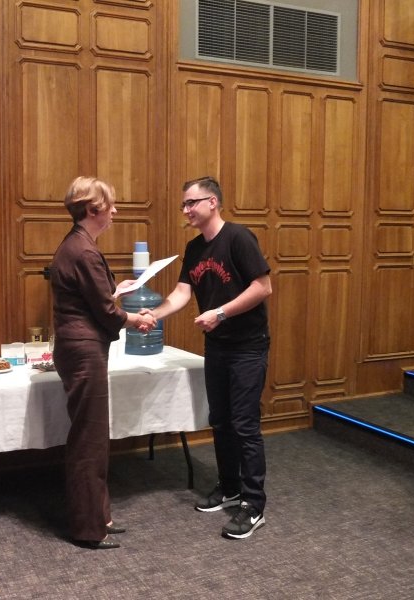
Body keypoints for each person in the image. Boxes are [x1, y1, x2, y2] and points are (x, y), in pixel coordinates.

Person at [142, 175, 272, 540]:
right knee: (221, 421)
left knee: (245, 425)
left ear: (212, 202)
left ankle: (253, 504)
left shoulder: (239, 238)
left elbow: (263, 287)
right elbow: (182, 292)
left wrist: (221, 313)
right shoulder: (195, 247)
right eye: (183, 204)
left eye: (191, 203)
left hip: (248, 346)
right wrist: (155, 314)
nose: (186, 210)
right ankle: (229, 487)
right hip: (217, 347)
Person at [49, 176, 156, 550]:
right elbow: (106, 313)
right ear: (93, 209)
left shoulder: (77, 244)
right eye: (110, 205)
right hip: (84, 351)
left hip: (77, 347)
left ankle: (99, 516)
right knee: (89, 441)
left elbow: (92, 299)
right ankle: (88, 528)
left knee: (90, 437)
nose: (115, 211)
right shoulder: (84, 251)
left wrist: (114, 292)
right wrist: (136, 318)